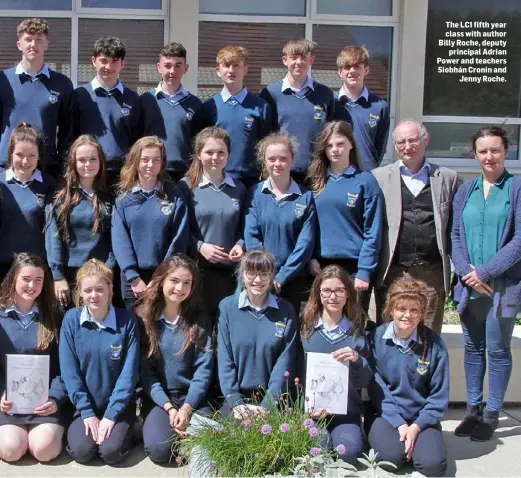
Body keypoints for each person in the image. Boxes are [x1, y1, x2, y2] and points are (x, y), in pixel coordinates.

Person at [451, 125, 521, 441]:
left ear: (506, 151)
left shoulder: (517, 189)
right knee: (472, 347)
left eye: (495, 149)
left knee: (497, 348)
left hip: (501, 287)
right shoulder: (466, 191)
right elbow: (455, 236)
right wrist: (468, 273)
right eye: (483, 151)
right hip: (470, 287)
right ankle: (473, 410)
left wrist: (485, 273)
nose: (489, 156)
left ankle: (492, 414)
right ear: (475, 154)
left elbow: (519, 241)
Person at [372, 120, 462, 333]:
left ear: (425, 140)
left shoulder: (448, 178)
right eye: (401, 142)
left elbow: (457, 227)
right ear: (395, 146)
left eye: (412, 140)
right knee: (389, 332)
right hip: (393, 271)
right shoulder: (379, 177)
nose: (407, 146)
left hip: (431, 273)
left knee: (428, 334)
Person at [366, 277, 449, 477]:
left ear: (421, 314)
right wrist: (399, 424)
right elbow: (377, 390)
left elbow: (438, 396)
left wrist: (416, 428)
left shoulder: (435, 345)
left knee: (432, 466)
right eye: (401, 309)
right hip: (385, 413)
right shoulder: (375, 339)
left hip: (420, 416)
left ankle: (422, 443)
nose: (407, 315)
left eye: (414, 310)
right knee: (391, 459)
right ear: (391, 310)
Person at [59, 259, 140, 465]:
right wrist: (86, 412)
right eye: (88, 290)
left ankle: (128, 431)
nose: (93, 295)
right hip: (84, 407)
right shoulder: (71, 320)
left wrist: (111, 415)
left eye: (99, 289)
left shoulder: (127, 321)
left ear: (111, 289)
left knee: (111, 452)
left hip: (118, 408)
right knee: (81, 451)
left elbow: (129, 374)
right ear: (80, 292)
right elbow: (70, 371)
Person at [138, 254, 214, 463]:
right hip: (161, 399)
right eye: (174, 281)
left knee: (203, 449)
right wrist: (169, 408)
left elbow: (203, 370)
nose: (180, 288)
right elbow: (146, 374)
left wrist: (187, 408)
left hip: (193, 399)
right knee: (159, 451)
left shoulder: (199, 319)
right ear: (161, 280)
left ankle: (184, 433)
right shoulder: (146, 320)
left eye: (186, 283)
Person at [308, 120, 383, 312]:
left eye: (340, 144)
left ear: (351, 144)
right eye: (329, 145)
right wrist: (311, 258)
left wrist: (365, 271)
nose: (335, 150)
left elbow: (373, 231)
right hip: (320, 266)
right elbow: (307, 227)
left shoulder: (365, 181)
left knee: (353, 329)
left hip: (354, 268)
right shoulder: (315, 182)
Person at [300, 265, 371, 464]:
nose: (333, 297)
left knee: (348, 454)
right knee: (318, 451)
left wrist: (358, 361)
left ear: (348, 293)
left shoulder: (356, 333)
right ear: (318, 293)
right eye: (327, 291)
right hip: (312, 412)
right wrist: (304, 408)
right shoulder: (306, 330)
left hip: (346, 412)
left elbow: (366, 379)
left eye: (339, 290)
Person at [0, 253, 66, 463]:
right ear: (13, 279)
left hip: (44, 402)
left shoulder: (56, 317)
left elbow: (66, 367)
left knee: (43, 450)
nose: (32, 285)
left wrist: (55, 398)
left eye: (38, 280)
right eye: (26, 279)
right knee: (11, 450)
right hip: (9, 404)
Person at [217, 249, 298, 418]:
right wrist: (237, 403)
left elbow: (285, 361)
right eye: (251, 273)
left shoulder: (285, 310)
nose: (258, 280)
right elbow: (225, 360)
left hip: (274, 400)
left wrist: (268, 405)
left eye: (264, 274)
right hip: (235, 399)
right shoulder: (227, 308)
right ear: (242, 275)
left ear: (272, 276)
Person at [112, 136, 189, 311]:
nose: (150, 165)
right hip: (133, 279)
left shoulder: (174, 196)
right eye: (145, 159)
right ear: (135, 161)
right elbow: (120, 240)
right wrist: (133, 277)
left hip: (166, 276)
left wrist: (162, 276)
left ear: (162, 163)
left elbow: (179, 237)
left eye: (156, 160)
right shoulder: (123, 198)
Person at [244, 132, 316, 316]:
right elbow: (251, 236)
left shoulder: (306, 196)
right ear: (264, 162)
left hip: (295, 279)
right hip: (259, 280)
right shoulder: (254, 194)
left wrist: (282, 276)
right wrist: (265, 273)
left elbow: (305, 243)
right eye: (272, 159)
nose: (278, 164)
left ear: (292, 160)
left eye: (283, 158)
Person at [178, 127, 246, 318]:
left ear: (229, 155)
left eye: (221, 152)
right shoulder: (186, 186)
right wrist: (200, 247)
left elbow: (244, 228)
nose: (215, 157)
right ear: (199, 154)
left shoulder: (239, 188)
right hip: (197, 272)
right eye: (209, 152)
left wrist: (240, 245)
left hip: (230, 274)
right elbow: (180, 229)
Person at [46, 134, 114, 310]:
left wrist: (108, 271)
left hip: (101, 275)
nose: (88, 165)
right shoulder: (60, 196)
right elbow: (53, 238)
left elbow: (116, 238)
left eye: (93, 159)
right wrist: (57, 276)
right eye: (82, 160)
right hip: (69, 276)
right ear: (73, 162)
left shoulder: (109, 197)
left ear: (101, 162)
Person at [0, 18, 73, 179]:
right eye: (28, 40)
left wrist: (63, 168)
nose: (33, 45)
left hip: (47, 169)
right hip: (6, 167)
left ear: (46, 44)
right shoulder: (3, 81)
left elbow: (67, 133)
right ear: (19, 44)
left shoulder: (62, 84)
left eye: (39, 40)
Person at [259, 39, 335, 185]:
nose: (299, 62)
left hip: (316, 174)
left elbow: (331, 134)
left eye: (304, 58)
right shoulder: (270, 94)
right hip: (281, 173)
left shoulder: (325, 94)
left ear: (311, 60)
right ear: (284, 60)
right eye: (293, 58)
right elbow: (264, 136)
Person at [73, 36, 141, 188]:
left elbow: (136, 140)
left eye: (114, 61)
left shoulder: (133, 99)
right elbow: (69, 137)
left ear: (122, 64)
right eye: (103, 60)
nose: (108, 67)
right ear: (93, 61)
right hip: (87, 174)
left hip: (122, 175)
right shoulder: (79, 96)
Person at [202, 46, 272, 189]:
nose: (231, 70)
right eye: (226, 65)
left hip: (252, 181)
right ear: (218, 71)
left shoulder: (260, 106)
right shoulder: (209, 107)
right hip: (217, 179)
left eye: (236, 66)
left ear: (245, 69)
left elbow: (267, 146)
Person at [140, 42, 203, 182]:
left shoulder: (195, 104)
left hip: (184, 175)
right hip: (151, 173)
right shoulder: (145, 101)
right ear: (159, 67)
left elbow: (198, 143)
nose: (172, 71)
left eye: (178, 66)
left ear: (185, 68)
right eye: (167, 66)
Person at [0, 122, 54, 281]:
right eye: (19, 155)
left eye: (31, 156)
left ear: (39, 156)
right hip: (4, 265)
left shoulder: (48, 184)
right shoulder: (1, 183)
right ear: (10, 153)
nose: (25, 161)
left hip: (36, 267)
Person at [333, 45, 390, 171]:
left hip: (367, 175)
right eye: (347, 67)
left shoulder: (380, 106)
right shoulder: (330, 103)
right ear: (340, 72)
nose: (352, 71)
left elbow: (379, 148)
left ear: (366, 70)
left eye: (357, 66)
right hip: (335, 176)